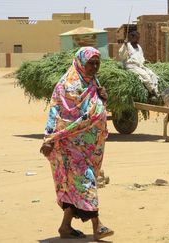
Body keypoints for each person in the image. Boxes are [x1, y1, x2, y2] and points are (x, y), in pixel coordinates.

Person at [39, 47, 114, 240]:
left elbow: (95, 109)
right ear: (81, 62)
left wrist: (102, 99)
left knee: (74, 185)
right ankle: (98, 227)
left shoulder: (92, 82)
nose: (94, 67)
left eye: (97, 63)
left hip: (88, 146)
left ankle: (65, 227)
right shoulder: (66, 85)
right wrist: (49, 138)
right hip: (69, 146)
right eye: (91, 63)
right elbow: (56, 112)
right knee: (85, 181)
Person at [119, 31, 160, 98]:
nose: (138, 39)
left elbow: (141, 57)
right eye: (137, 38)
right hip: (131, 67)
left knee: (153, 75)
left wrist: (144, 61)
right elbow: (122, 55)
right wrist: (125, 45)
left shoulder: (139, 47)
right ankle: (153, 91)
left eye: (138, 38)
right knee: (145, 76)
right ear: (131, 37)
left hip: (140, 66)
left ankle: (156, 90)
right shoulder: (127, 45)